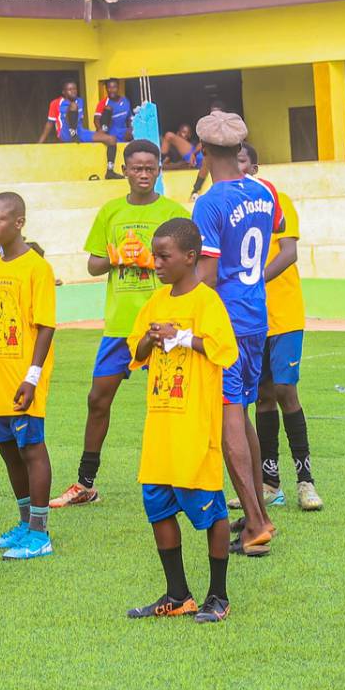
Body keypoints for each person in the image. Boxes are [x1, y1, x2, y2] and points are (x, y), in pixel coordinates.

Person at [52, 140, 188, 508]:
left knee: (170, 402)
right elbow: (93, 265)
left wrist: (151, 260)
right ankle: (85, 483)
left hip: (162, 322)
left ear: (159, 170)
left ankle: (178, 477)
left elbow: (187, 264)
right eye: (137, 168)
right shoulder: (110, 211)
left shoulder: (173, 212)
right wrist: (116, 257)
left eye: (150, 168)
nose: (144, 174)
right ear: (124, 170)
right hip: (119, 325)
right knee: (97, 399)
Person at [123, 216, 237, 623]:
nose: (156, 263)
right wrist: (149, 339)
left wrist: (182, 337)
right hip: (160, 429)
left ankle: (218, 596)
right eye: (154, 256)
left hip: (193, 428)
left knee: (211, 512)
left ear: (190, 257)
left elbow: (225, 350)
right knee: (158, 508)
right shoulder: (156, 302)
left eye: (164, 256)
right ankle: (177, 595)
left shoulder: (207, 302)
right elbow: (135, 354)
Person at [190, 110, 285, 555]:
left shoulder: (210, 202)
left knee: (229, 415)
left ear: (203, 151)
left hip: (225, 321)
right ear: (239, 148)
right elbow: (273, 233)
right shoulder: (264, 192)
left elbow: (208, 275)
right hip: (256, 316)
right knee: (242, 411)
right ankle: (259, 514)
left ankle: (255, 524)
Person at [240, 144, 322, 512]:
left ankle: (306, 481)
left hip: (284, 314)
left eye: (242, 161)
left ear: (254, 167)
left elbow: (289, 252)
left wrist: (253, 281)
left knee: (286, 389)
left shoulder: (277, 200)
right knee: (262, 396)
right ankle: (270, 484)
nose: (237, 168)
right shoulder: (228, 210)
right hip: (250, 319)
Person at [0, 193, 58, 559]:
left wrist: (32, 377)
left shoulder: (36, 268)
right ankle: (25, 524)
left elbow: (45, 326)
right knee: (9, 450)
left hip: (24, 378)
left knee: (31, 449)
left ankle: (40, 534)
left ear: (19, 223)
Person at [95, 78, 133, 180]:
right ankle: (110, 171)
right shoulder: (103, 103)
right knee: (108, 109)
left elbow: (129, 118)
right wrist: (101, 132)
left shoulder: (125, 101)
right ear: (106, 89)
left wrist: (130, 129)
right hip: (109, 133)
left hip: (123, 132)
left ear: (118, 88)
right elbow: (96, 119)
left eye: (114, 87)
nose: (112, 90)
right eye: (109, 87)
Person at [41, 80, 89, 145]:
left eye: (74, 89)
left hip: (79, 134)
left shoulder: (80, 101)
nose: (73, 91)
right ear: (63, 92)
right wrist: (40, 143)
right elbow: (50, 123)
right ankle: (73, 134)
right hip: (64, 135)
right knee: (73, 106)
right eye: (70, 89)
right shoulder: (55, 103)